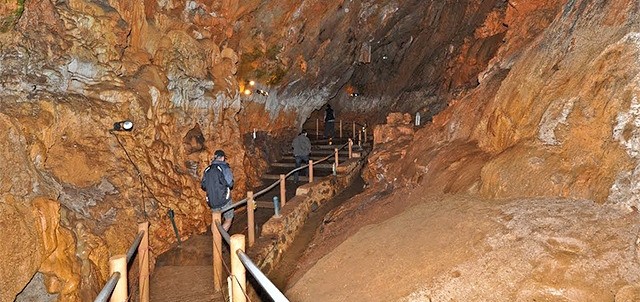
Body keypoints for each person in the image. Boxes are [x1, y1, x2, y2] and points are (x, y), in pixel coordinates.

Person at [201, 149, 234, 231]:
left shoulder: (207, 169)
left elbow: (203, 186)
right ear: (222, 158)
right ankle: (219, 237)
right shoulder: (224, 167)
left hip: (212, 200)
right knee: (229, 219)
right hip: (224, 199)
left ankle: (215, 241)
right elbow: (230, 184)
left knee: (215, 220)